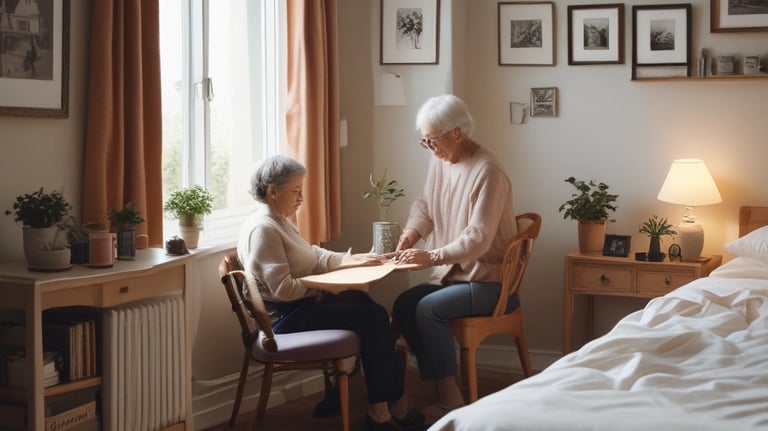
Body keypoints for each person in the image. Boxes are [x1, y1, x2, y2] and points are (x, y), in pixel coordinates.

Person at [237, 155, 425, 431]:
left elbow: (312, 254)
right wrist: (329, 282)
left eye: (302, 190)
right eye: (296, 191)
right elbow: (284, 289)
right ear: (272, 191)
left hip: (301, 307)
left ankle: (390, 403)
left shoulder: (279, 220)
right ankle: (382, 413)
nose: (301, 198)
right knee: (373, 317)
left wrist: (349, 260)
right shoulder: (264, 229)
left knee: (364, 304)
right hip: (285, 320)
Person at [390, 94, 518, 420]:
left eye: (434, 140)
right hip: (452, 275)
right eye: (425, 141)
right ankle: (440, 387)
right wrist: (411, 234)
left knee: (429, 308)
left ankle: (449, 398)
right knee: (404, 304)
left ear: (457, 132)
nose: (431, 148)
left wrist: (431, 256)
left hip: (488, 279)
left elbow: (477, 239)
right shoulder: (440, 160)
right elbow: (425, 205)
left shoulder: (489, 171)